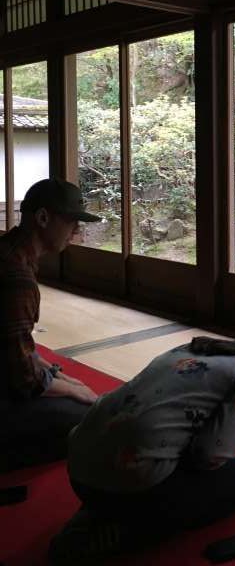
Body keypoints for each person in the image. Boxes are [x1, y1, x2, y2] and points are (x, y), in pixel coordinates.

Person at [48, 317, 235, 564]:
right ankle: (125, 531)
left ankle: (99, 512)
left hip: (79, 462)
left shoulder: (194, 347)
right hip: (128, 480)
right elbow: (208, 456)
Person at [0, 178, 101, 472]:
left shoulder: (8, 251)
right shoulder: (16, 277)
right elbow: (22, 379)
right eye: (71, 222)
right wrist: (73, 391)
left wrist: (57, 375)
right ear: (43, 218)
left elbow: (14, 345)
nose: (77, 231)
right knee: (84, 418)